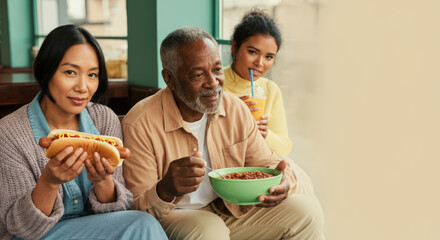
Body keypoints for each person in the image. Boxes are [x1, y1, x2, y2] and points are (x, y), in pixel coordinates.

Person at [122, 26, 324, 240]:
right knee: (209, 229)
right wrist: (166, 188)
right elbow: (136, 209)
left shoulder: (235, 108)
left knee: (306, 212)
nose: (213, 82)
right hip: (172, 216)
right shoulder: (140, 122)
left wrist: (282, 182)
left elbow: (267, 164)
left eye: (217, 70)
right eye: (198, 74)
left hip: (226, 210)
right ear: (170, 79)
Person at [0, 25, 167, 240]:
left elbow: (118, 216)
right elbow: (20, 230)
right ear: (46, 70)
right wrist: (49, 183)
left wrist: (102, 180)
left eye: (92, 75)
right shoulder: (8, 133)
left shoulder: (104, 119)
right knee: (142, 225)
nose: (83, 87)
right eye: (70, 72)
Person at [224, 9, 318, 197]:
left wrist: (265, 134)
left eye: (269, 57)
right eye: (252, 52)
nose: (260, 63)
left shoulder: (270, 90)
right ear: (234, 47)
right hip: (227, 166)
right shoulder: (216, 83)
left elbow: (284, 146)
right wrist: (233, 115)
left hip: (261, 165)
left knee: (300, 183)